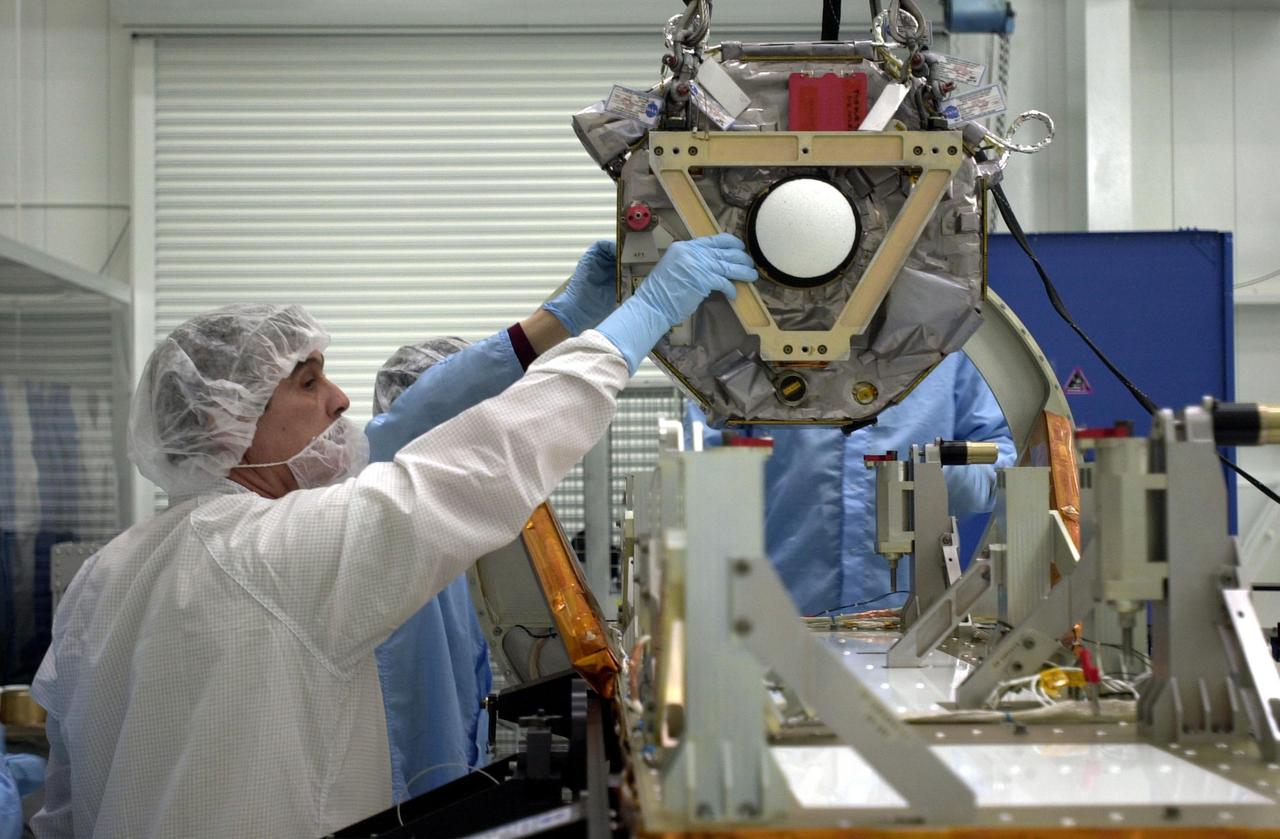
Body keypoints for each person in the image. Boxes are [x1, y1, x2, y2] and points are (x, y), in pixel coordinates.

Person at [30, 233, 756, 837]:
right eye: (307, 381)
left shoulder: (110, 571)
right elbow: (482, 460)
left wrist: (557, 319)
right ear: (227, 424)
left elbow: (63, 801)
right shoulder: (277, 554)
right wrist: (637, 320)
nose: (341, 398)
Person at [365, 242, 618, 801]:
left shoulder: (456, 520)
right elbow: (421, 419)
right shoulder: (377, 480)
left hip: (450, 772)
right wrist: (571, 319)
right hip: (393, 794)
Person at [685, 351, 1014, 617]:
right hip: (778, 616)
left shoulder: (949, 345)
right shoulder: (745, 341)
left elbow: (1000, 457)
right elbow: (702, 473)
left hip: (916, 623)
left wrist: (939, 481)